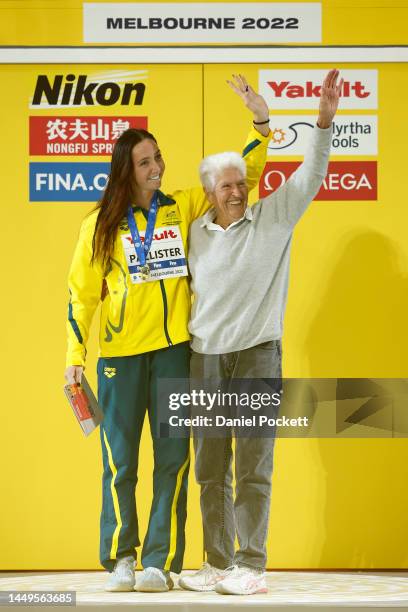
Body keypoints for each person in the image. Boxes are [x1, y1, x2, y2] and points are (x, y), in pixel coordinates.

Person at [64, 75, 271, 593]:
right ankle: (121, 558)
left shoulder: (182, 206)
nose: (157, 168)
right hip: (120, 358)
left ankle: (160, 560)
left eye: (159, 158)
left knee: (174, 460)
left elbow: (240, 177)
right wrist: (74, 355)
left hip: (176, 353)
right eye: (145, 162)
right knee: (120, 461)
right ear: (126, 171)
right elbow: (80, 296)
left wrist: (261, 124)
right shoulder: (98, 226)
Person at [179, 69, 343, 595]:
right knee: (209, 468)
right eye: (225, 185)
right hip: (203, 359)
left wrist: (323, 120)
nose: (236, 191)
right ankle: (218, 563)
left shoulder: (274, 217)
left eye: (240, 183)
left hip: (256, 357)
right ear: (208, 192)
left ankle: (251, 565)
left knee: (252, 466)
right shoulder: (192, 235)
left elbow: (311, 173)